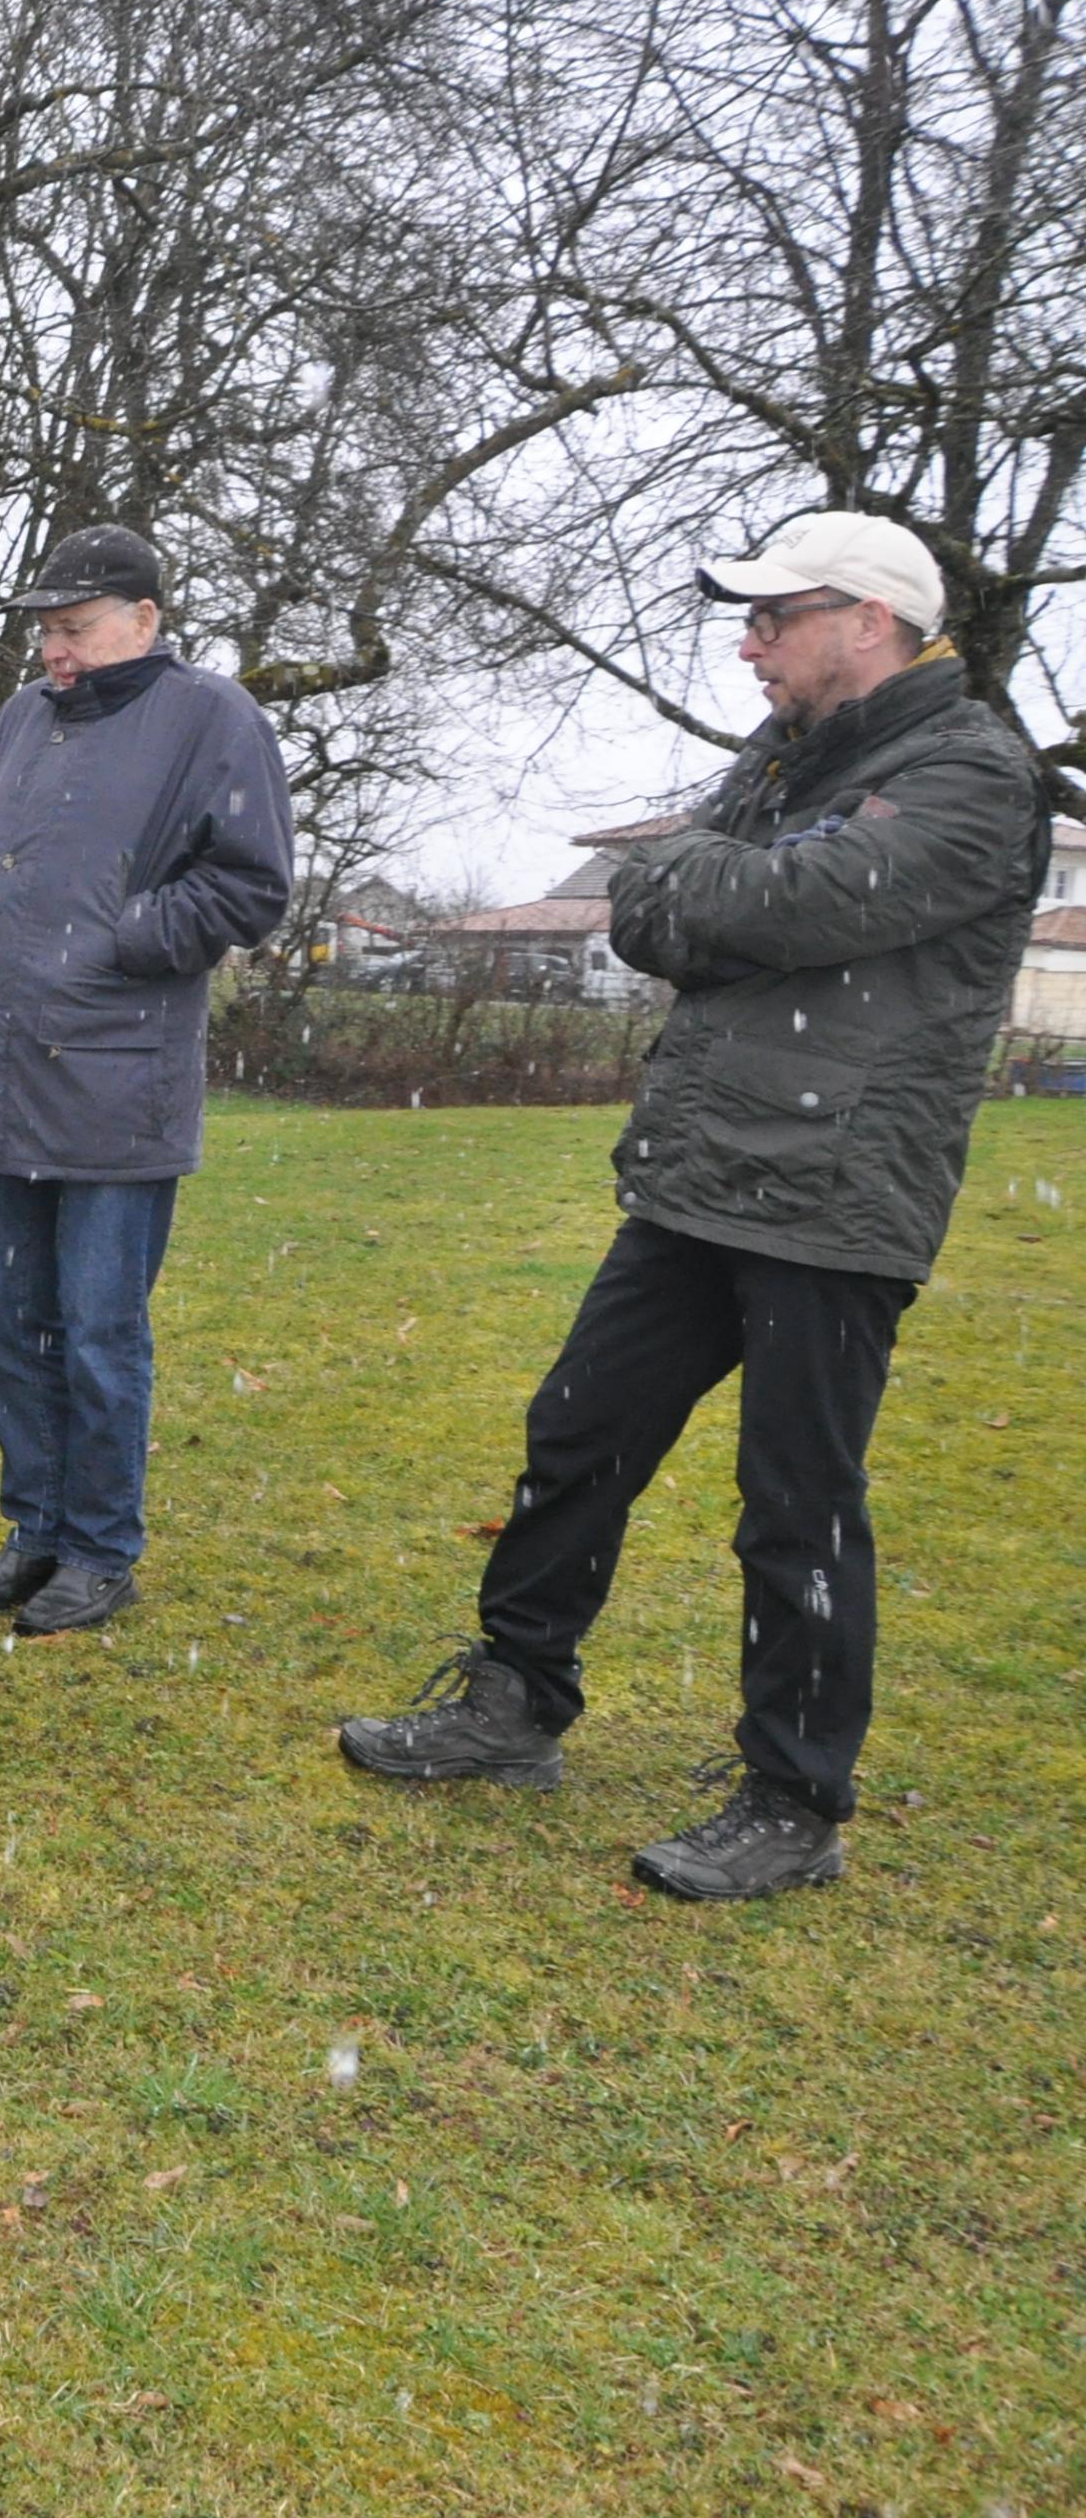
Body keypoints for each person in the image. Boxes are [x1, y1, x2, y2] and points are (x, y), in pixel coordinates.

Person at [338, 511, 1049, 1900]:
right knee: (578, 1429)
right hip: (699, 1174)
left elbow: (783, 906)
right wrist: (710, 886)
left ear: (869, 620)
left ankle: (794, 1798)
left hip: (838, 1195)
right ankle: (516, 1698)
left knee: (797, 1501)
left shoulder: (973, 776)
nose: (748, 645)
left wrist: (712, 885)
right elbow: (648, 909)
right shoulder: (785, 758)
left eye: (774, 618)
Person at [0, 524, 290, 1638]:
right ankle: (34, 1531)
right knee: (4, 1324)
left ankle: (98, 1549)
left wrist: (113, 940)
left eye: (76, 628)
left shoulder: (213, 718)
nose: (57, 650)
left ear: (144, 619)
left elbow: (249, 886)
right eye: (47, 630)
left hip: (117, 1085)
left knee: (95, 1331)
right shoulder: (19, 718)